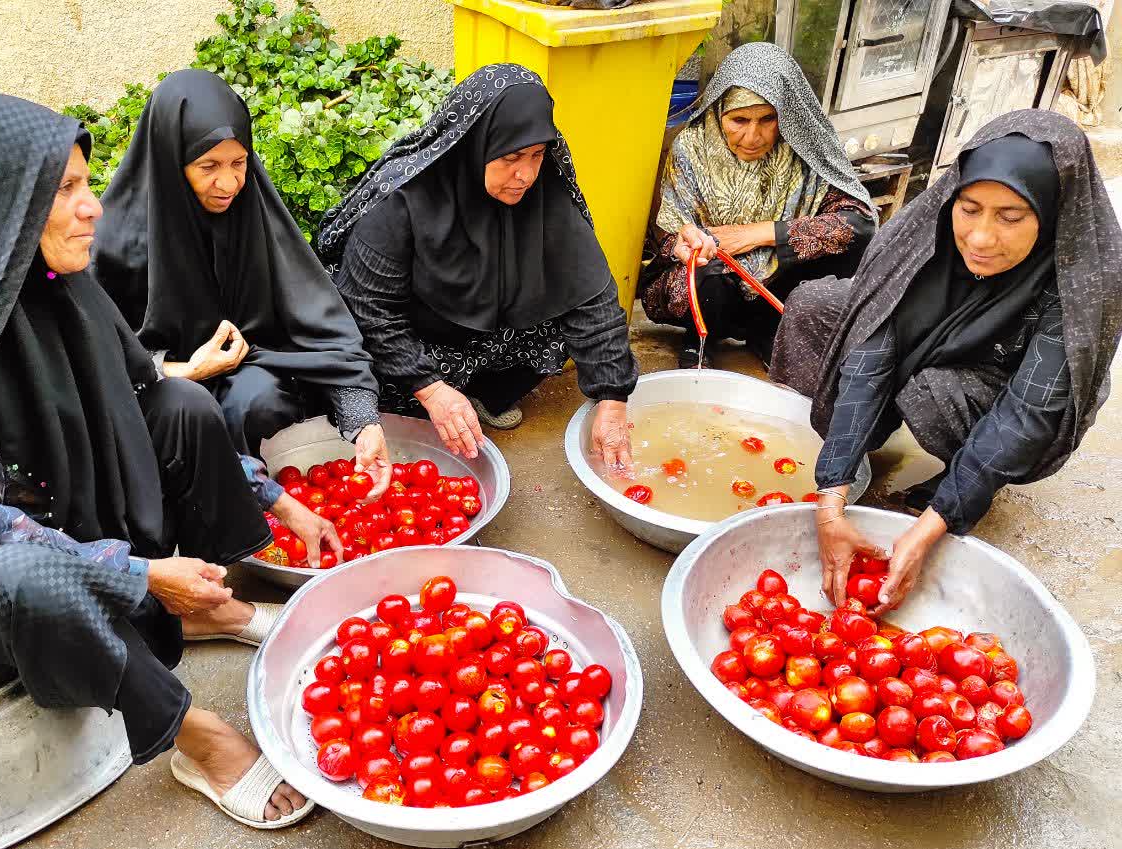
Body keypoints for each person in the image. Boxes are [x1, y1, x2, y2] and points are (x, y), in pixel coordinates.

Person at [0, 94, 315, 829]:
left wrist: (273, 497)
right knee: (30, 577)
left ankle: (198, 607)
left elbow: (143, 392)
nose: (92, 207)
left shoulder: (58, 281)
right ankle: (195, 738)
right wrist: (138, 572)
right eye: (64, 190)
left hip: (33, 501)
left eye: (84, 183)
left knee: (182, 409)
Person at [769, 109, 1122, 613]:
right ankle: (843, 449)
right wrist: (832, 496)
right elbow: (874, 346)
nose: (980, 238)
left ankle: (956, 485)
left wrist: (931, 527)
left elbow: (1026, 415)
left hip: (1003, 378)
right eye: (970, 208)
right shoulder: (920, 236)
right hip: (933, 338)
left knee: (934, 392)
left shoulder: (1085, 278)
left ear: (1051, 211)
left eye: (1011, 217)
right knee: (818, 307)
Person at [318, 63, 639, 469]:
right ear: (475, 143)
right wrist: (431, 390)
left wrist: (612, 400)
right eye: (511, 157)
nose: (525, 175)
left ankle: (482, 395)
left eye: (538, 155)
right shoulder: (404, 200)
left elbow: (592, 301)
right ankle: (431, 402)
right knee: (365, 368)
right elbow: (366, 309)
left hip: (485, 337)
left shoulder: (544, 194)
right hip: (415, 338)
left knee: (565, 324)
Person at [94, 70, 392, 500]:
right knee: (190, 409)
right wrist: (183, 370)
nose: (230, 183)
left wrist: (364, 421)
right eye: (208, 166)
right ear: (168, 160)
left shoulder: (253, 214)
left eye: (239, 162)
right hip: (152, 389)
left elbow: (321, 325)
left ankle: (258, 499)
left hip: (245, 372)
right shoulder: (113, 242)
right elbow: (97, 358)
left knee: (256, 399)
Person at [642, 43, 877, 367]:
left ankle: (769, 331)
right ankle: (699, 338)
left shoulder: (805, 152)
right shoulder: (691, 149)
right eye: (738, 120)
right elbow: (664, 236)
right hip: (714, 284)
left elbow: (860, 225)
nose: (753, 136)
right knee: (702, 276)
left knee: (844, 247)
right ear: (718, 110)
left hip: (776, 283)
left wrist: (759, 234)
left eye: (767, 119)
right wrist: (684, 245)